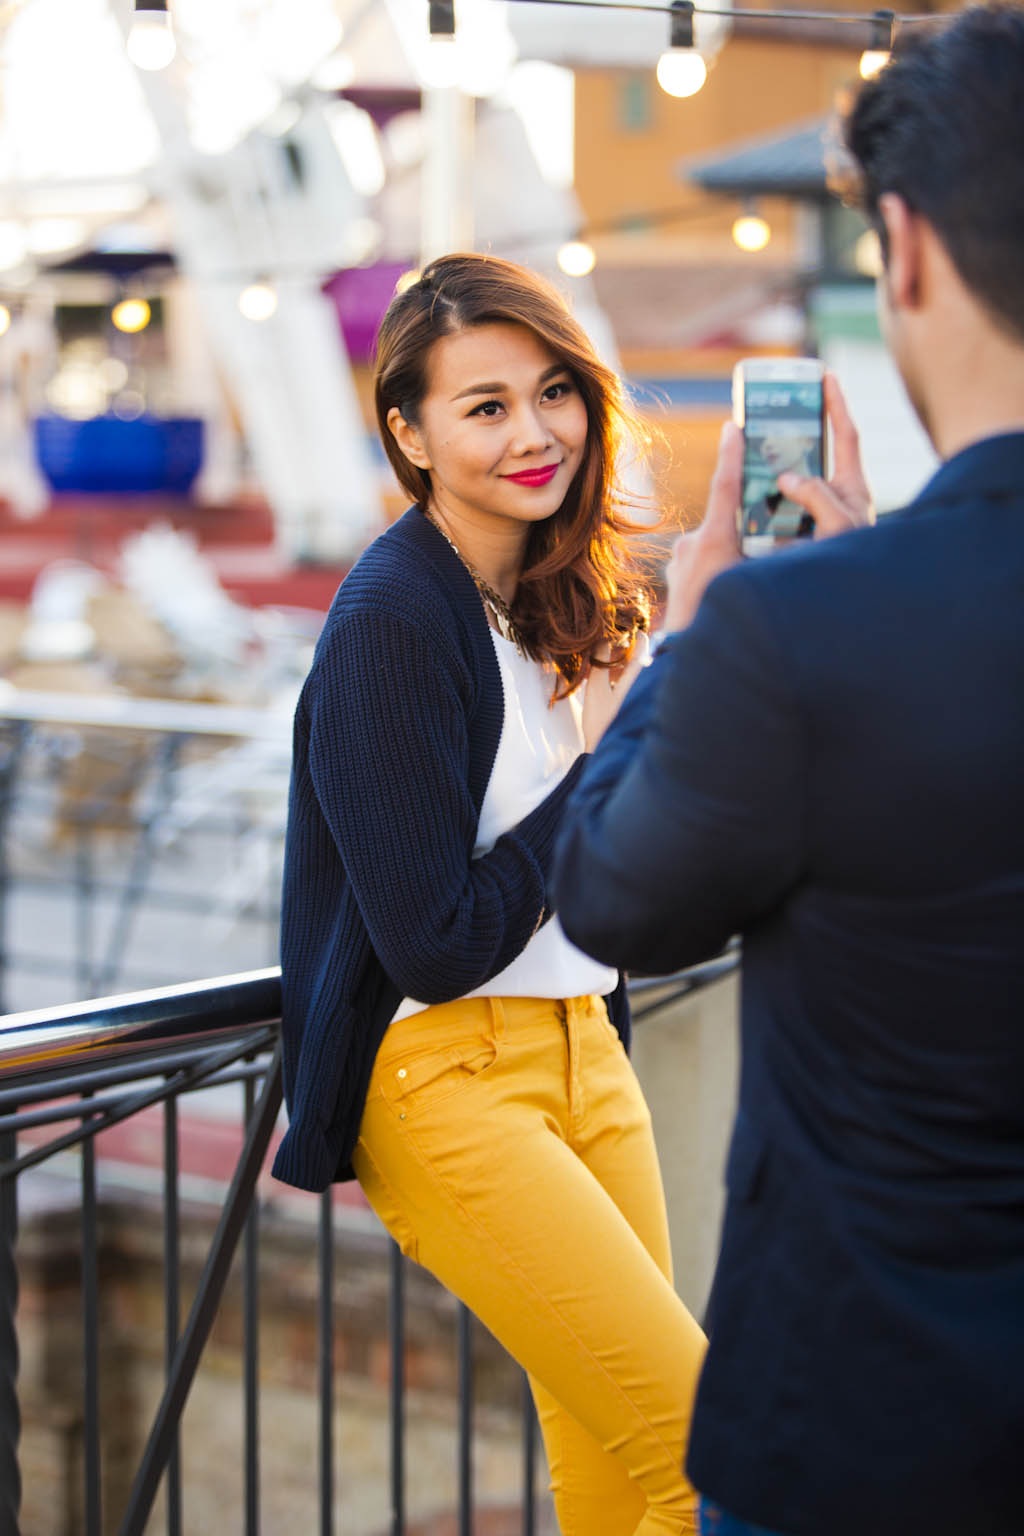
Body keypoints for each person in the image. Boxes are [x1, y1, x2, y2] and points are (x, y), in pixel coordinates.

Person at [552, 6, 1024, 1535]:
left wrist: (700, 634)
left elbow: (614, 896)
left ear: (905, 248)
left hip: (862, 1430)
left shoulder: (803, 632)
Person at [271, 252, 707, 1535]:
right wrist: (607, 762)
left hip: (586, 1047)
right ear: (408, 433)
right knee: (714, 1457)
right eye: (485, 406)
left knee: (620, 1485)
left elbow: (604, 863)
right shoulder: (391, 619)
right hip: (445, 1085)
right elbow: (435, 941)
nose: (536, 432)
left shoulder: (554, 596)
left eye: (554, 391)